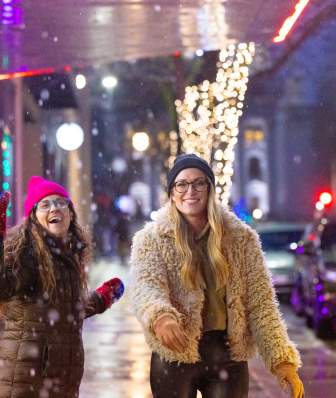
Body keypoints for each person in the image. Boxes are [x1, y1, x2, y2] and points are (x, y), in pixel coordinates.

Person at [130, 154, 304, 398]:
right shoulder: (151, 239)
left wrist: (281, 360)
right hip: (175, 354)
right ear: (171, 192)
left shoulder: (241, 239)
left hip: (227, 357)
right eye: (182, 184)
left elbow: (262, 304)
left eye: (199, 183)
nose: (190, 190)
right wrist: (161, 318)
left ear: (210, 189)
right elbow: (145, 287)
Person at [0, 176, 124, 398]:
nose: (54, 208)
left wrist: (100, 299)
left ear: (70, 212)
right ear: (33, 218)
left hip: (61, 380)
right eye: (45, 204)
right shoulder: (26, 255)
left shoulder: (67, 254)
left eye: (60, 202)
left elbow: (64, 309)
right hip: (26, 382)